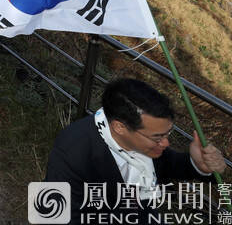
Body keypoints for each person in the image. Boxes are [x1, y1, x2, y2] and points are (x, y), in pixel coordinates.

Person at [45, 78, 225, 224]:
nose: (165, 143)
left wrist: (199, 165)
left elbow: (169, 163)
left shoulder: (141, 140)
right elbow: (52, 216)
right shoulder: (71, 150)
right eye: (157, 137)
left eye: (168, 133)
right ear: (119, 127)